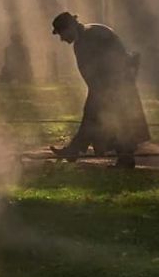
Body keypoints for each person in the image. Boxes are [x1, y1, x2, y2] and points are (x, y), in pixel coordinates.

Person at [49, 12, 149, 168]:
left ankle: (77, 151)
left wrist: (102, 92)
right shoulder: (92, 32)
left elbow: (104, 64)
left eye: (62, 33)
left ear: (70, 27)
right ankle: (76, 150)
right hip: (112, 84)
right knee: (103, 118)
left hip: (112, 85)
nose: (62, 39)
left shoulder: (87, 38)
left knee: (113, 120)